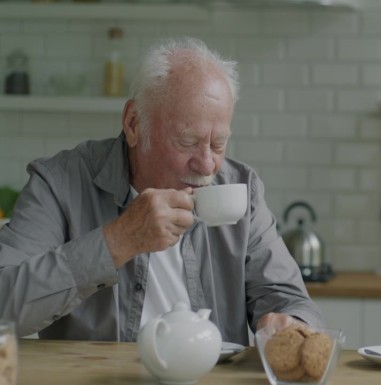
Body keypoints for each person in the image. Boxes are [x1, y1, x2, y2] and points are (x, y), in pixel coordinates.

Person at [0, 37, 323, 342]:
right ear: (133, 124)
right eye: (187, 142)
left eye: (218, 143)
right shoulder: (59, 182)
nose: (208, 165)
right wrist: (117, 241)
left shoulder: (241, 188)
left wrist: (287, 324)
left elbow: (291, 300)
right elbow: (4, 303)